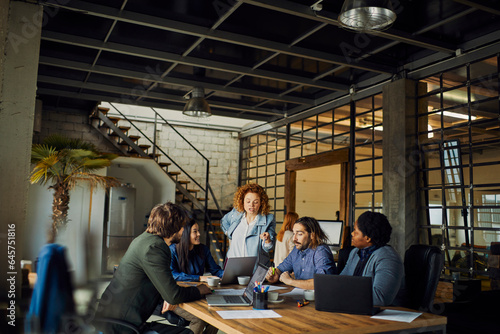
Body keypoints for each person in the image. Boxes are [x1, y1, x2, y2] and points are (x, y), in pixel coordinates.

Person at [96, 202, 212, 334]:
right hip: (121, 327)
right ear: (173, 227)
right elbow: (173, 295)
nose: (183, 231)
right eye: (181, 227)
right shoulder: (155, 248)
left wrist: (168, 295)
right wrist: (199, 290)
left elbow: (165, 286)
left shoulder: (144, 239)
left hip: (113, 320)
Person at [153, 219, 222, 334]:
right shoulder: (173, 250)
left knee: (215, 316)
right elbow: (172, 275)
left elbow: (215, 270)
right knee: (199, 319)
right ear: (185, 235)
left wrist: (230, 275)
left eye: (198, 231)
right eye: (195, 231)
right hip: (178, 296)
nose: (199, 234)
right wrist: (199, 278)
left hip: (198, 294)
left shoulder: (203, 250)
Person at [340, 211, 404, 306]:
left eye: (356, 232)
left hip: (386, 314)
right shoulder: (355, 252)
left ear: (368, 238)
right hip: (358, 307)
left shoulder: (388, 258)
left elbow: (379, 298)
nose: (352, 234)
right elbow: (340, 282)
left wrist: (344, 292)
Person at [265, 216, 337, 290]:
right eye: (293, 233)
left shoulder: (321, 251)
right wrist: (274, 275)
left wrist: (291, 281)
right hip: (301, 297)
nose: (294, 239)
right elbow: (281, 269)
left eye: (299, 234)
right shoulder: (297, 249)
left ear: (312, 235)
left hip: (320, 298)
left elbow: (322, 282)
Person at [221, 183, 276, 266]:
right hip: (233, 265)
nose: (251, 205)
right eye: (248, 201)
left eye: (256, 202)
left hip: (255, 267)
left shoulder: (268, 219)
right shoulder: (236, 213)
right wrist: (229, 233)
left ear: (261, 203)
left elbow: (268, 248)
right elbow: (224, 222)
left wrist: (267, 240)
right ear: (242, 201)